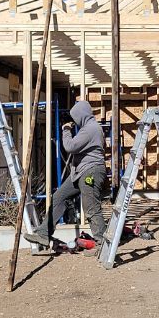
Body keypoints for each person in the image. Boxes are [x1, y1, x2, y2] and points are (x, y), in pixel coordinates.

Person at [24, 100, 107, 256]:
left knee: (91, 207)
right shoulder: (90, 128)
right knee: (59, 197)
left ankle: (103, 244)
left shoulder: (91, 129)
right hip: (80, 172)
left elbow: (70, 146)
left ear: (81, 115)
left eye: (75, 118)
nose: (74, 121)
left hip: (90, 172)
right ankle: (43, 233)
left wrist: (66, 130)